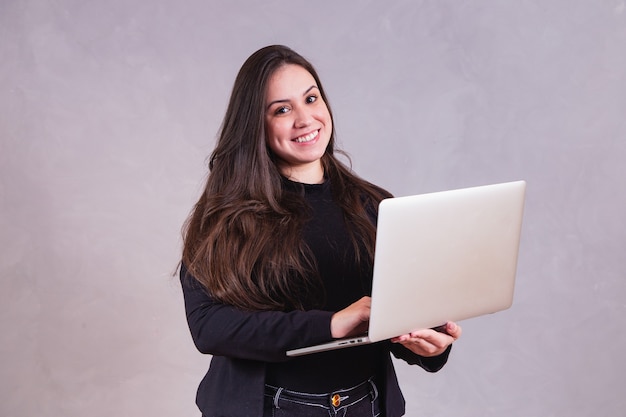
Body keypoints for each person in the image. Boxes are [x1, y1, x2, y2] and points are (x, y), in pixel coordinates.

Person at [180, 45, 462, 417]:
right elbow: (210, 327)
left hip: (367, 403)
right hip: (269, 407)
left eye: (311, 98)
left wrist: (429, 344)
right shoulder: (225, 216)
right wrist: (330, 323)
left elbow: (394, 313)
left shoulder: (376, 206)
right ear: (254, 125)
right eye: (282, 109)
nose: (305, 118)